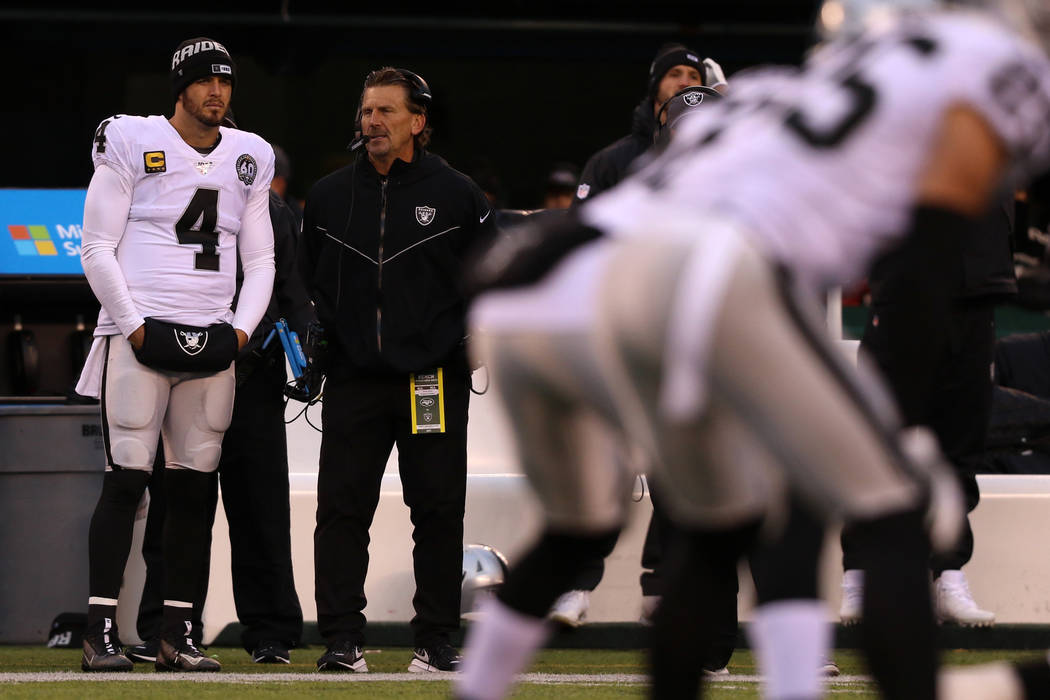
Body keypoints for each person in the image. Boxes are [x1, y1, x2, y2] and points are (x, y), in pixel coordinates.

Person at [456, 3, 1050, 699]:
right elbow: (929, 250)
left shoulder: (776, 90)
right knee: (893, 506)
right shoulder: (991, 68)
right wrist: (906, 426)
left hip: (542, 283)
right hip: (707, 276)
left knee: (649, 529)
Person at [75, 36, 276, 672]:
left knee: (194, 490)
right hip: (142, 331)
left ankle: (177, 633)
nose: (218, 92)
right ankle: (100, 629)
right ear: (180, 86)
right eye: (205, 80)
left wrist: (241, 332)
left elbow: (261, 256)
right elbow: (95, 246)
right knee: (127, 480)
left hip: (213, 334)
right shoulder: (132, 139)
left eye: (226, 82)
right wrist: (132, 326)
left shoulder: (250, 154)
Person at [299, 66, 497, 673]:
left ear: (418, 121)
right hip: (355, 379)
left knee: (437, 510)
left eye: (386, 111)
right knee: (340, 510)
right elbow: (308, 283)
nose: (372, 122)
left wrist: (468, 346)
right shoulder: (330, 196)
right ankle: (340, 640)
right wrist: (323, 345)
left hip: (429, 380)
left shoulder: (461, 196)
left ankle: (436, 641)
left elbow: (489, 285)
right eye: (366, 111)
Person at [124, 109, 313, 666]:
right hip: (187, 370)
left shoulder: (268, 208)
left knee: (257, 507)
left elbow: (289, 287)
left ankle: (269, 630)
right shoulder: (156, 193)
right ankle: (168, 628)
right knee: (180, 506)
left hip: (243, 373)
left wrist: (303, 351)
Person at [552, 41, 727, 633]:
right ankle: (575, 583)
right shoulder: (615, 163)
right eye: (673, 75)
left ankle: (662, 586)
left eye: (693, 76)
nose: (683, 83)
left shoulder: (724, 174)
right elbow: (581, 245)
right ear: (655, 95)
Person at [839, 197, 1016, 628]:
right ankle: (860, 577)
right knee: (880, 440)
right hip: (904, 278)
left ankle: (948, 574)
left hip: (977, 280)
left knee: (961, 441)